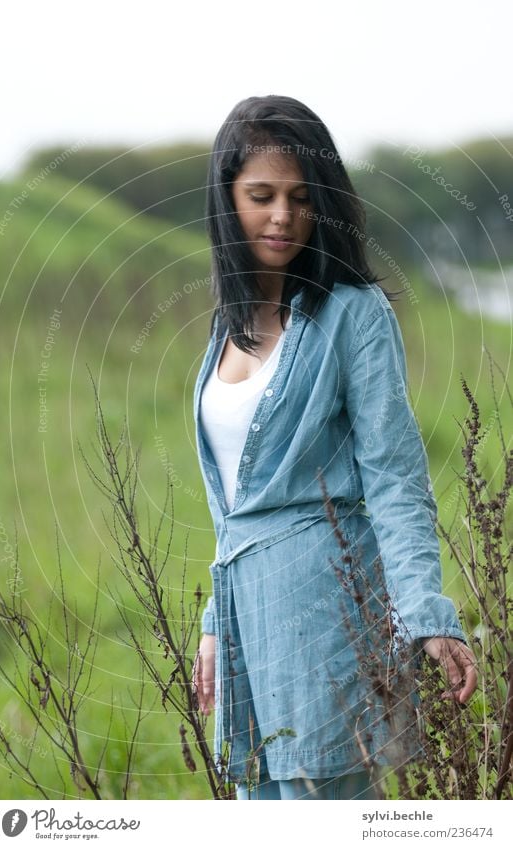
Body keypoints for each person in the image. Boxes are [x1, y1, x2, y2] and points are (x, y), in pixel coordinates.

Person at [191, 95, 477, 801]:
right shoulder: (224, 327)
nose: (282, 215)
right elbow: (236, 501)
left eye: (299, 197)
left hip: (326, 617)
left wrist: (426, 614)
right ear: (227, 201)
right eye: (260, 196)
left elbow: (393, 477)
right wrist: (211, 622)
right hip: (245, 620)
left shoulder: (351, 313)